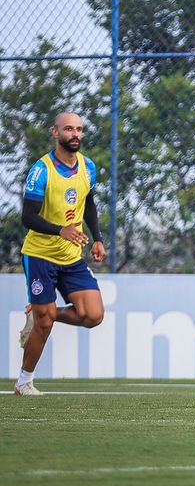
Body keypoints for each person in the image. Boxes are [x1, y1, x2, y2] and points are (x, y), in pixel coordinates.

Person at [14, 112, 107, 396]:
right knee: (45, 323)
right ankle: (23, 383)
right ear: (55, 132)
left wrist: (97, 238)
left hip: (71, 257)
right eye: (69, 129)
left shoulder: (87, 166)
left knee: (93, 315)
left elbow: (88, 203)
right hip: (40, 255)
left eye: (79, 129)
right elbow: (28, 217)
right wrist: (60, 230)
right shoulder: (41, 170)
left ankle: (42, 311)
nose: (75, 134)